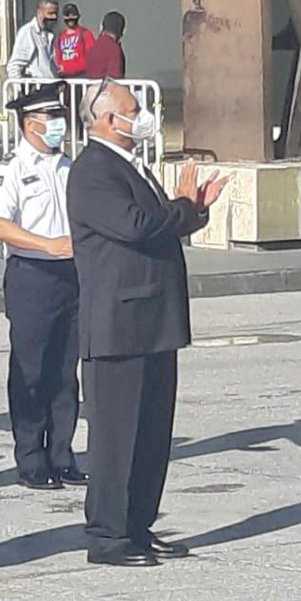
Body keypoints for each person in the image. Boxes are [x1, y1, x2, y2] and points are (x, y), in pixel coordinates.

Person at [67, 80, 227, 567]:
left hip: (154, 321)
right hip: (118, 325)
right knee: (116, 438)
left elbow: (160, 223)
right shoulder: (93, 170)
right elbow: (136, 226)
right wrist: (182, 208)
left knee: (152, 435)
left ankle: (138, 525)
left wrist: (193, 209)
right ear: (105, 120)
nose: (141, 117)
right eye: (132, 110)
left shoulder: (132, 165)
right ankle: (108, 536)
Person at [0, 84, 84, 490]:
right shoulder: (11, 168)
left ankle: (62, 453)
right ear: (30, 124)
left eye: (60, 117)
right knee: (31, 369)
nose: (59, 125)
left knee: (65, 369)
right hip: (32, 274)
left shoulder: (68, 165)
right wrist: (47, 244)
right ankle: (30, 457)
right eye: (51, 118)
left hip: (70, 275)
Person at [7, 0, 59, 80]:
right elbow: (15, 66)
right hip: (36, 85)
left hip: (51, 84)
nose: (54, 17)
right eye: (50, 13)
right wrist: (19, 86)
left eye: (56, 13)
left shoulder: (50, 35)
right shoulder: (28, 31)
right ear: (39, 13)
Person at [54, 3, 96, 79]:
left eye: (73, 17)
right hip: (64, 78)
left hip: (81, 77)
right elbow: (58, 58)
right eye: (68, 17)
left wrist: (67, 68)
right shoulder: (60, 37)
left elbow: (90, 60)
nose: (70, 20)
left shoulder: (86, 34)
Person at [84, 11, 127, 79]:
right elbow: (114, 77)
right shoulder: (114, 49)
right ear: (122, 31)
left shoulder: (94, 47)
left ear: (102, 27)